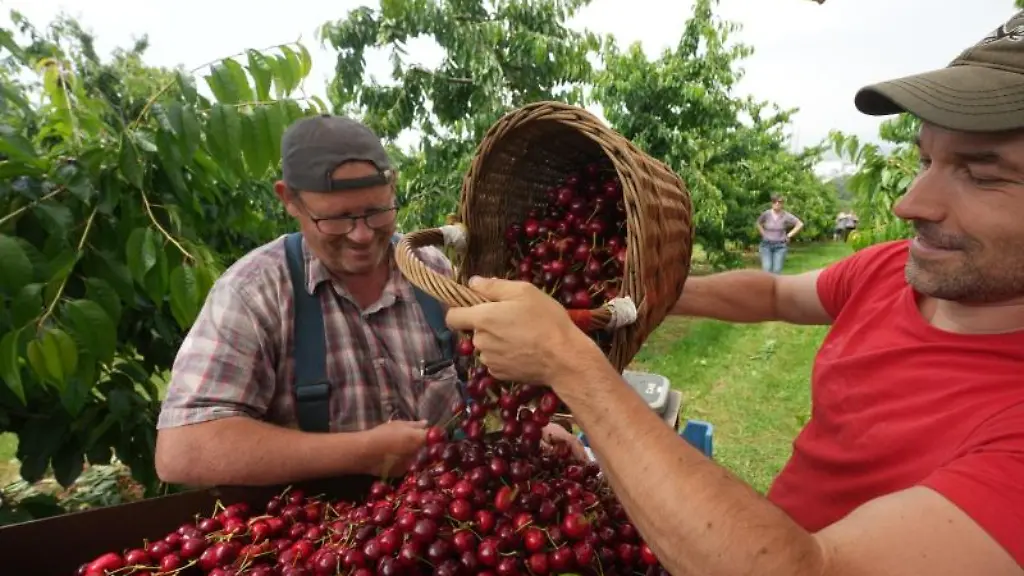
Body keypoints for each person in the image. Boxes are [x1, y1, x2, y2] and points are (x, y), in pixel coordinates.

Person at [444, 12, 1024, 576]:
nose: (909, 203)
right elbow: (771, 295)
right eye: (926, 159)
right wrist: (649, 292)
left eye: (983, 172)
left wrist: (571, 366)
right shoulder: (890, 270)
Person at [154, 115, 581, 487]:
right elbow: (181, 450)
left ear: (392, 184)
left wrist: (530, 427)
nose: (361, 235)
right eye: (336, 218)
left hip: (442, 522)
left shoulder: (428, 269)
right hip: (324, 541)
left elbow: (485, 381)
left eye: (377, 211)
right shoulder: (253, 294)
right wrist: (360, 452)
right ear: (288, 200)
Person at [756, 195, 803, 274]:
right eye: (775, 201)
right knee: (767, 268)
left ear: (782, 204)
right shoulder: (766, 214)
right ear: (772, 203)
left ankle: (775, 286)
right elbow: (758, 223)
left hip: (780, 246)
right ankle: (766, 286)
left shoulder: (786, 215)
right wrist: (763, 233)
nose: (777, 203)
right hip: (766, 245)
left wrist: (789, 235)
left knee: (777, 270)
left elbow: (800, 224)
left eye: (779, 202)